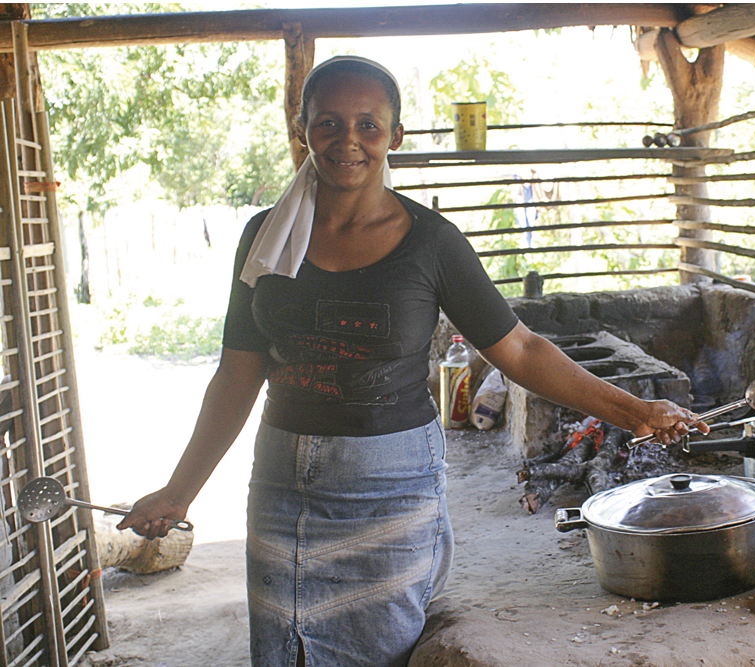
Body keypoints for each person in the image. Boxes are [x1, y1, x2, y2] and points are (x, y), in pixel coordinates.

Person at [119, 56, 708, 667]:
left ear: (394, 136)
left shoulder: (432, 243)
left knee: (381, 648)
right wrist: (179, 490)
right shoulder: (264, 237)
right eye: (328, 123)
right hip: (281, 479)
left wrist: (632, 408)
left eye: (368, 125)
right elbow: (238, 372)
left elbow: (521, 349)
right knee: (283, 645)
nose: (348, 140)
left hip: (391, 485)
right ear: (303, 131)